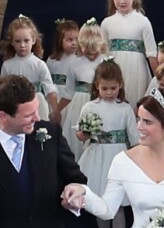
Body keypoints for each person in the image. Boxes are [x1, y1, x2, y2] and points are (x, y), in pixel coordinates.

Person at [0, 74, 97, 228]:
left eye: (36, 109)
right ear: (3, 116)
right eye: (29, 115)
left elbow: (75, 178)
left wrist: (75, 193)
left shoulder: (51, 134)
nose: (37, 118)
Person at [62, 87, 164, 228]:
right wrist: (84, 194)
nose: (139, 127)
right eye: (138, 119)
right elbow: (108, 210)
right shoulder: (124, 162)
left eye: (147, 122)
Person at [75, 57, 139, 228]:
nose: (109, 92)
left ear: (120, 85)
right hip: (97, 159)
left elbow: (134, 139)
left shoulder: (125, 108)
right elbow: (79, 135)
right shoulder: (89, 107)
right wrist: (86, 133)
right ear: (96, 86)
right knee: (100, 203)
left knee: (117, 205)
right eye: (104, 88)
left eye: (113, 88)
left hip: (119, 158)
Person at [101, 0, 157, 108]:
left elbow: (151, 54)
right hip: (114, 72)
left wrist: (159, 78)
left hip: (138, 72)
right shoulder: (107, 23)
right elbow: (102, 54)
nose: (121, 1)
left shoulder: (143, 22)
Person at [61, 17, 108, 161]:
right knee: (77, 141)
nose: (92, 55)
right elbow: (68, 92)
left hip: (100, 103)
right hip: (78, 105)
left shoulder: (107, 62)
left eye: (95, 51)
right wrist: (56, 110)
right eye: (88, 51)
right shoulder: (75, 64)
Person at [0, 14, 60, 123]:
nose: (22, 45)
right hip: (16, 103)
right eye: (18, 41)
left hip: (37, 104)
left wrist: (55, 110)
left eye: (26, 41)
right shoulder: (7, 65)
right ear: (12, 42)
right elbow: (2, 90)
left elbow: (49, 88)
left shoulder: (39, 64)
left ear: (33, 40)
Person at [46, 18, 79, 119]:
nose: (74, 43)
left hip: (70, 98)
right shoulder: (52, 60)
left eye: (76, 39)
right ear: (60, 41)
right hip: (54, 97)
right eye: (69, 40)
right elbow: (47, 82)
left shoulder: (79, 60)